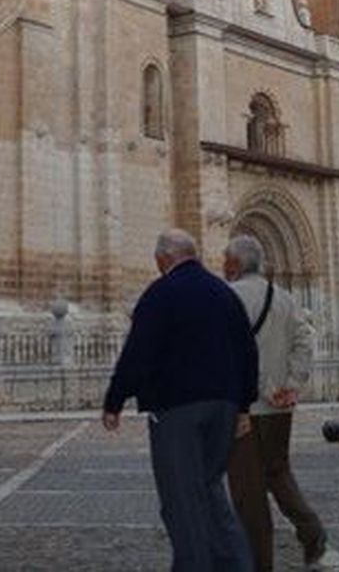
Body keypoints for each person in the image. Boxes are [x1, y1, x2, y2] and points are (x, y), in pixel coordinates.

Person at [103, 229, 257, 572]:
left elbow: (138, 352)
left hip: (177, 411)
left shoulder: (161, 294)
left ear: (163, 259)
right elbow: (247, 350)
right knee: (210, 489)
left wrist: (115, 400)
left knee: (181, 500)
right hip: (225, 408)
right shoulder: (224, 293)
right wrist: (244, 404)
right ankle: (236, 564)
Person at [221, 234, 326, 570]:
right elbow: (304, 342)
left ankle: (259, 564)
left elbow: (233, 353)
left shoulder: (227, 298)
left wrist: (264, 389)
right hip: (280, 408)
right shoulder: (284, 298)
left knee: (248, 494)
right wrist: (291, 385)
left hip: (246, 411)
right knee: (279, 473)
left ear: (235, 264)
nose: (223, 265)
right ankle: (311, 531)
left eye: (225, 259)